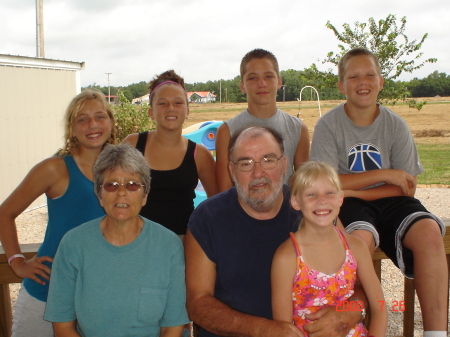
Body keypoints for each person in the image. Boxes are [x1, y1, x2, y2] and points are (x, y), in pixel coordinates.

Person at [310, 47, 448, 336]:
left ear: (381, 81)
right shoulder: (328, 126)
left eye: (370, 74)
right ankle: (357, 323)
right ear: (341, 85)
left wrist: (353, 188)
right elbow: (325, 184)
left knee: (428, 232)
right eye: (354, 76)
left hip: (390, 201)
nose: (363, 81)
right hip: (349, 204)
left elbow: (408, 188)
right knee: (359, 239)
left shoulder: (395, 125)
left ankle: (435, 332)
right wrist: (385, 174)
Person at [185, 127, 364, 337]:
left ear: (285, 165)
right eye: (245, 163)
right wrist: (264, 330)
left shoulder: (315, 211)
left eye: (268, 160)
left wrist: (349, 313)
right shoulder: (207, 219)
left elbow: (361, 287)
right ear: (232, 171)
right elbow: (198, 304)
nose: (258, 173)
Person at [0, 89, 115, 336]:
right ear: (71, 129)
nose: (92, 124)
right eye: (82, 119)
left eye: (99, 116)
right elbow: (4, 213)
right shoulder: (55, 168)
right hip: (47, 292)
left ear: (110, 122)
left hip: (98, 298)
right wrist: (17, 262)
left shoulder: (121, 169)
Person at [44, 143, 189, 336]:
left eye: (132, 184)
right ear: (99, 195)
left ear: (145, 195)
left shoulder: (169, 246)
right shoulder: (73, 244)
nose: (122, 192)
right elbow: (63, 327)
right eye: (111, 185)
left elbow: (172, 327)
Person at [271, 161, 387, 336]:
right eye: (311, 194)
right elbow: (283, 329)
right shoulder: (286, 257)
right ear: (296, 202)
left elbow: (380, 306)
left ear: (340, 198)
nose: (322, 200)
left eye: (330, 193)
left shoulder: (356, 248)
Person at [123, 70, 216, 239]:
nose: (171, 108)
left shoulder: (200, 155)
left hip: (183, 245)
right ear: (151, 112)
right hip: (137, 243)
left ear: (188, 111)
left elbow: (216, 205)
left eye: (178, 103)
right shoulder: (132, 145)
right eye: (163, 103)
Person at [215, 48, 309, 192]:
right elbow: (224, 191)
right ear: (242, 85)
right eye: (253, 78)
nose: (262, 84)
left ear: (279, 81)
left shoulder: (298, 129)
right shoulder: (227, 131)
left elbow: (303, 184)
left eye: (268, 76)